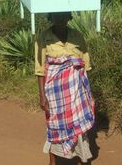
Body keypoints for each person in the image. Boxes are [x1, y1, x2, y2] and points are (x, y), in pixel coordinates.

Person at [35, 12, 95, 165]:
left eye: (64, 15)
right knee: (55, 126)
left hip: (77, 92)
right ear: (50, 17)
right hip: (55, 94)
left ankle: (82, 159)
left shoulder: (77, 36)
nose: (60, 19)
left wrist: (90, 95)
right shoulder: (44, 38)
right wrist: (42, 96)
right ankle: (53, 162)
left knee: (79, 128)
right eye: (56, 15)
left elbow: (85, 67)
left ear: (69, 17)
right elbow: (40, 70)